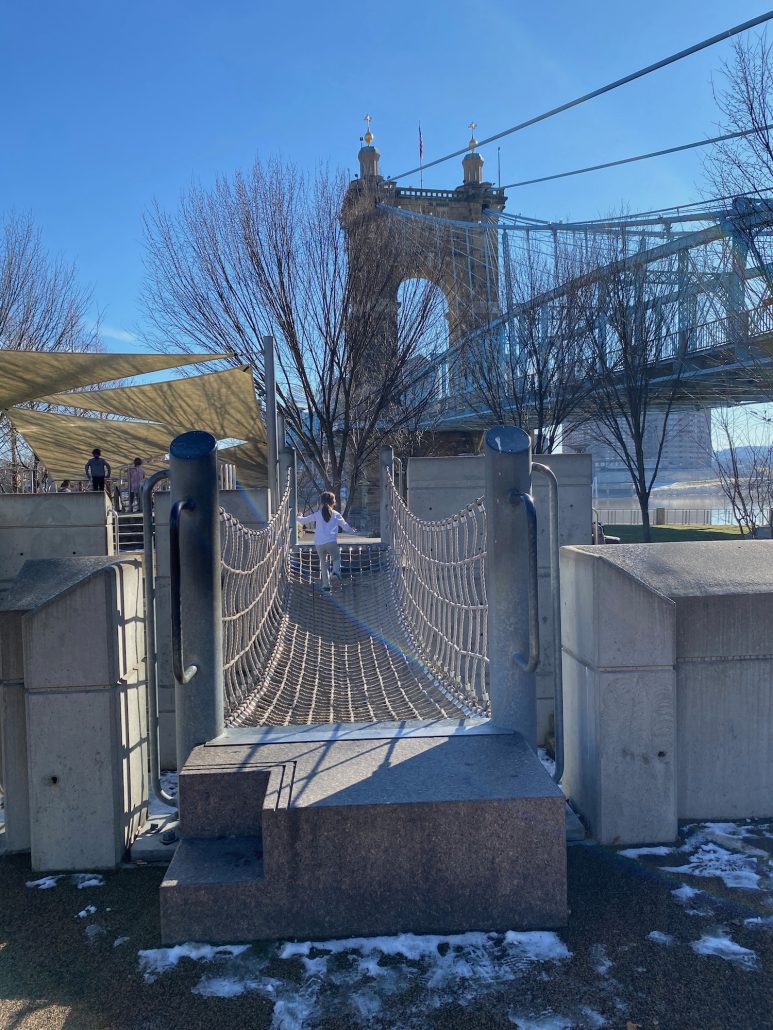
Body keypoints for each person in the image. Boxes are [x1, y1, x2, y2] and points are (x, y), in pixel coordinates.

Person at [297, 491, 357, 591]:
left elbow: (304, 520)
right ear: (333, 502)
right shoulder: (336, 514)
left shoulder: (317, 514)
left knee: (323, 563)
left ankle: (326, 585)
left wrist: (298, 516)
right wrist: (353, 531)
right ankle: (335, 573)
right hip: (331, 542)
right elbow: (345, 526)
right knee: (336, 559)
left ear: (320, 503)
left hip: (319, 544)